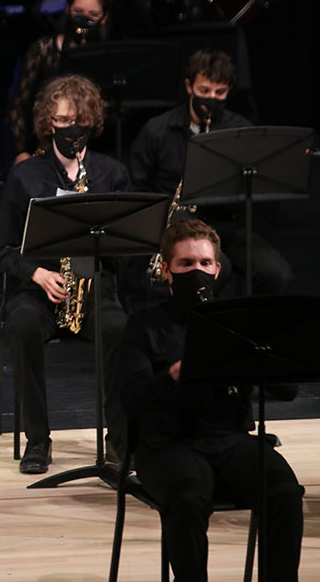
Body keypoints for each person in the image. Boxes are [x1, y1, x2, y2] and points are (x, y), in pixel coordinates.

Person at [116, 218, 303, 581]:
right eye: (186, 264)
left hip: (229, 439)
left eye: (204, 264)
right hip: (167, 445)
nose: (196, 272)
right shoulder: (144, 325)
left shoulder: (235, 322)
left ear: (217, 269)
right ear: (167, 270)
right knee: (187, 498)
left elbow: (288, 390)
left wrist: (264, 357)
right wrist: (172, 375)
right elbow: (132, 400)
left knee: (283, 491)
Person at [0, 74, 130, 473]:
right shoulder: (26, 175)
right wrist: (36, 274)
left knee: (119, 330)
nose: (73, 130)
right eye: (65, 121)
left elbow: (127, 248)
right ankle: (38, 439)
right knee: (22, 327)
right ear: (50, 122)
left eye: (81, 121)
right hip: (39, 289)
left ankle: (118, 438)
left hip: (92, 289)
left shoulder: (111, 173)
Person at [127, 48, 292, 296]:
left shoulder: (240, 131)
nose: (211, 99)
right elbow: (137, 189)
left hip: (224, 226)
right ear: (189, 86)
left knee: (277, 273)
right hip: (174, 229)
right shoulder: (157, 130)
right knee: (211, 273)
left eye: (220, 92)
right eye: (204, 91)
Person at [7, 0, 111, 164]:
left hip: (95, 152)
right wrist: (21, 151)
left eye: (93, 15)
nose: (84, 19)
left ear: (103, 18)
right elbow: (19, 105)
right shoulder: (42, 50)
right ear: (68, 9)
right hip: (45, 150)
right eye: (78, 11)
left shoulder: (109, 57)